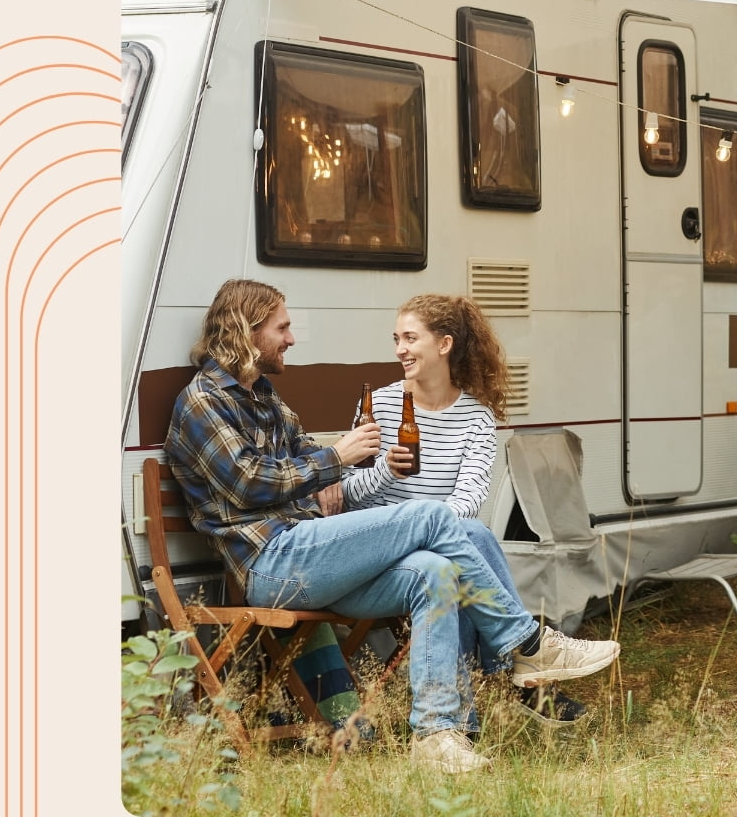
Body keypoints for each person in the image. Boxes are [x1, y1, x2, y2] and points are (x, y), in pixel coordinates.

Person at [164, 278, 619, 774]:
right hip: (274, 563)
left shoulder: (266, 399)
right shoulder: (203, 402)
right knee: (435, 518)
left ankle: (438, 736)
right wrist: (337, 460)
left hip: (321, 559)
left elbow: (308, 459)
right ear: (245, 331)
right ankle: (526, 646)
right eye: (283, 327)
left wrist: (329, 465)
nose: (291, 338)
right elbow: (250, 483)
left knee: (436, 573)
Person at [319, 293, 585, 724]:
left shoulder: (476, 418)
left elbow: (470, 497)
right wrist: (387, 471)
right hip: (384, 548)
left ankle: (462, 725)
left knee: (457, 555)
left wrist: (437, 531)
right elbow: (349, 494)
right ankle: (520, 665)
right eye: (396, 339)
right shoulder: (381, 405)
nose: (400, 349)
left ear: (443, 345)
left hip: (441, 549)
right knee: (474, 539)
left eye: (410, 338)